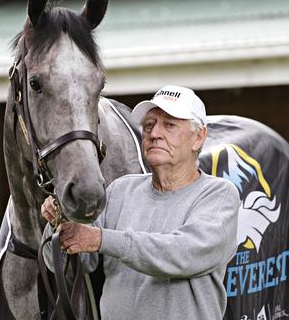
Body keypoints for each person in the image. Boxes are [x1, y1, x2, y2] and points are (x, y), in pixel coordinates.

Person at [41, 85, 240, 320]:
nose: (155, 133)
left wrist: (100, 239)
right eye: (149, 125)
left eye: (169, 125)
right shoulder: (120, 190)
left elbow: (180, 254)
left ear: (198, 137)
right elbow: (73, 265)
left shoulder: (218, 195)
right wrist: (60, 226)